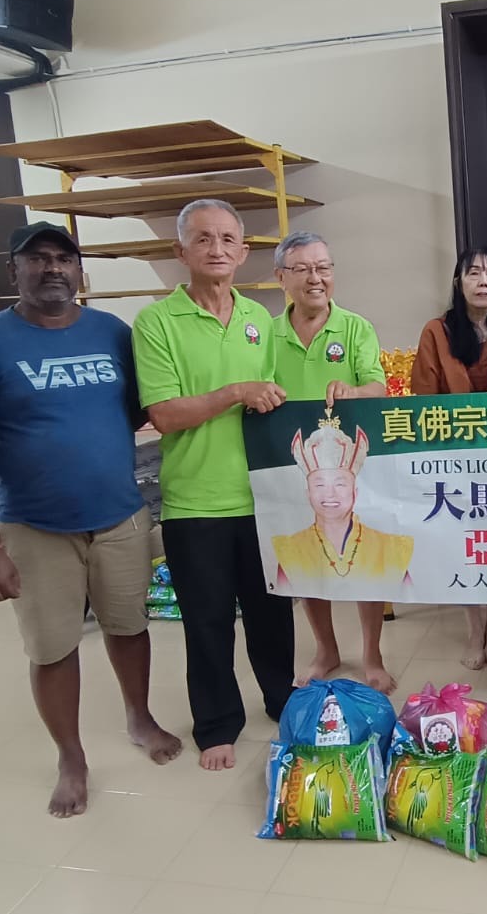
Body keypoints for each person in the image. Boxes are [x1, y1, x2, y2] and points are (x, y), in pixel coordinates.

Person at [0, 221, 181, 817]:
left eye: (64, 259)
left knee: (129, 626)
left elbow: (140, 412)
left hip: (119, 515)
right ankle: (70, 756)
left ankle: (139, 717)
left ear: (80, 272)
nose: (52, 268)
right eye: (38, 258)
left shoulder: (112, 333)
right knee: (51, 648)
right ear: (14, 270)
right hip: (34, 526)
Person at [132, 199, 296, 772]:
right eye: (203, 238)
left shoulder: (259, 320)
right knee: (207, 623)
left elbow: (272, 401)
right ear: (181, 251)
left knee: (273, 615)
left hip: (262, 499)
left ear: (244, 252)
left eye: (228, 239)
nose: (217, 249)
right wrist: (235, 392)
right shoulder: (157, 323)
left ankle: (283, 702)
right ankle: (218, 724)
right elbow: (164, 414)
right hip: (195, 502)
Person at [269, 232, 395, 693]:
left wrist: (353, 391)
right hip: (291, 464)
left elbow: (378, 388)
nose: (315, 278)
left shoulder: (355, 327)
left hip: (349, 465)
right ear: (281, 277)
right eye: (302, 269)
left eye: (323, 267)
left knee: (363, 557)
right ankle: (326, 650)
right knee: (308, 558)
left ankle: (372, 655)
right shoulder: (265, 333)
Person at [411, 247, 487, 669]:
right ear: (458, 282)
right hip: (454, 457)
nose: (483, 281)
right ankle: (475, 626)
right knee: (465, 543)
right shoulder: (437, 331)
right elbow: (422, 399)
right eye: (474, 273)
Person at [271, 420, 414, 590]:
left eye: (340, 484)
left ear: (355, 492)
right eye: (320, 485)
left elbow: (405, 591)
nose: (330, 493)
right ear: (308, 494)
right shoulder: (290, 549)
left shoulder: (388, 547)